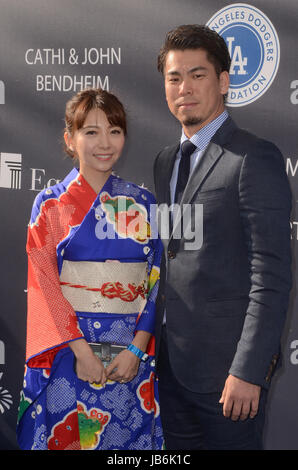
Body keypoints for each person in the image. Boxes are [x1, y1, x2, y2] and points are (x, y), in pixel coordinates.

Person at [153, 24, 292, 450]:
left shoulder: (254, 157)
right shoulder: (164, 162)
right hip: (172, 372)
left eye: (198, 75)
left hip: (229, 380)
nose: (185, 88)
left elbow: (270, 275)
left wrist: (248, 371)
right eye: (175, 78)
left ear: (224, 82)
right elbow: (174, 259)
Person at [17, 88, 164, 450]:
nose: (105, 143)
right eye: (91, 132)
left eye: (115, 131)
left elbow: (155, 278)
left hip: (129, 355)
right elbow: (45, 284)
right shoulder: (50, 204)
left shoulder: (143, 203)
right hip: (69, 351)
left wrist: (138, 348)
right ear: (70, 139)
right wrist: (81, 352)